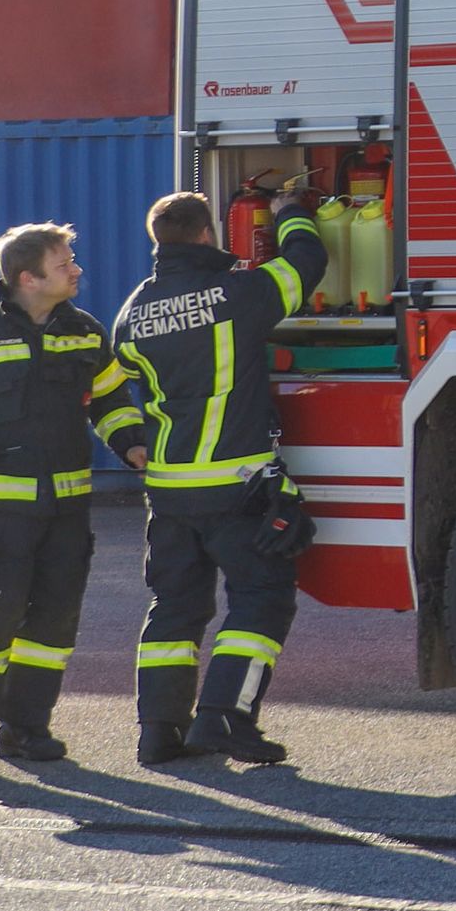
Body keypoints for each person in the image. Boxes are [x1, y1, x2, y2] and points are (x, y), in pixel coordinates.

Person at [110, 185, 326, 767]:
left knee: (175, 609)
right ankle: (225, 718)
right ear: (208, 234)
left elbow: (124, 379)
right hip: (235, 488)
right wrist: (293, 215)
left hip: (170, 490)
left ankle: (157, 732)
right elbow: (307, 265)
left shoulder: (130, 314)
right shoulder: (239, 293)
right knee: (261, 599)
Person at [0, 223, 157, 763]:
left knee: (55, 620)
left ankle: (24, 728)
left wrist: (133, 446)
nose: (77, 270)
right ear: (28, 277)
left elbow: (110, 399)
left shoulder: (84, 331)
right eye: (64, 263)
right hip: (2, 512)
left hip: (66, 510)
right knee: (0, 615)